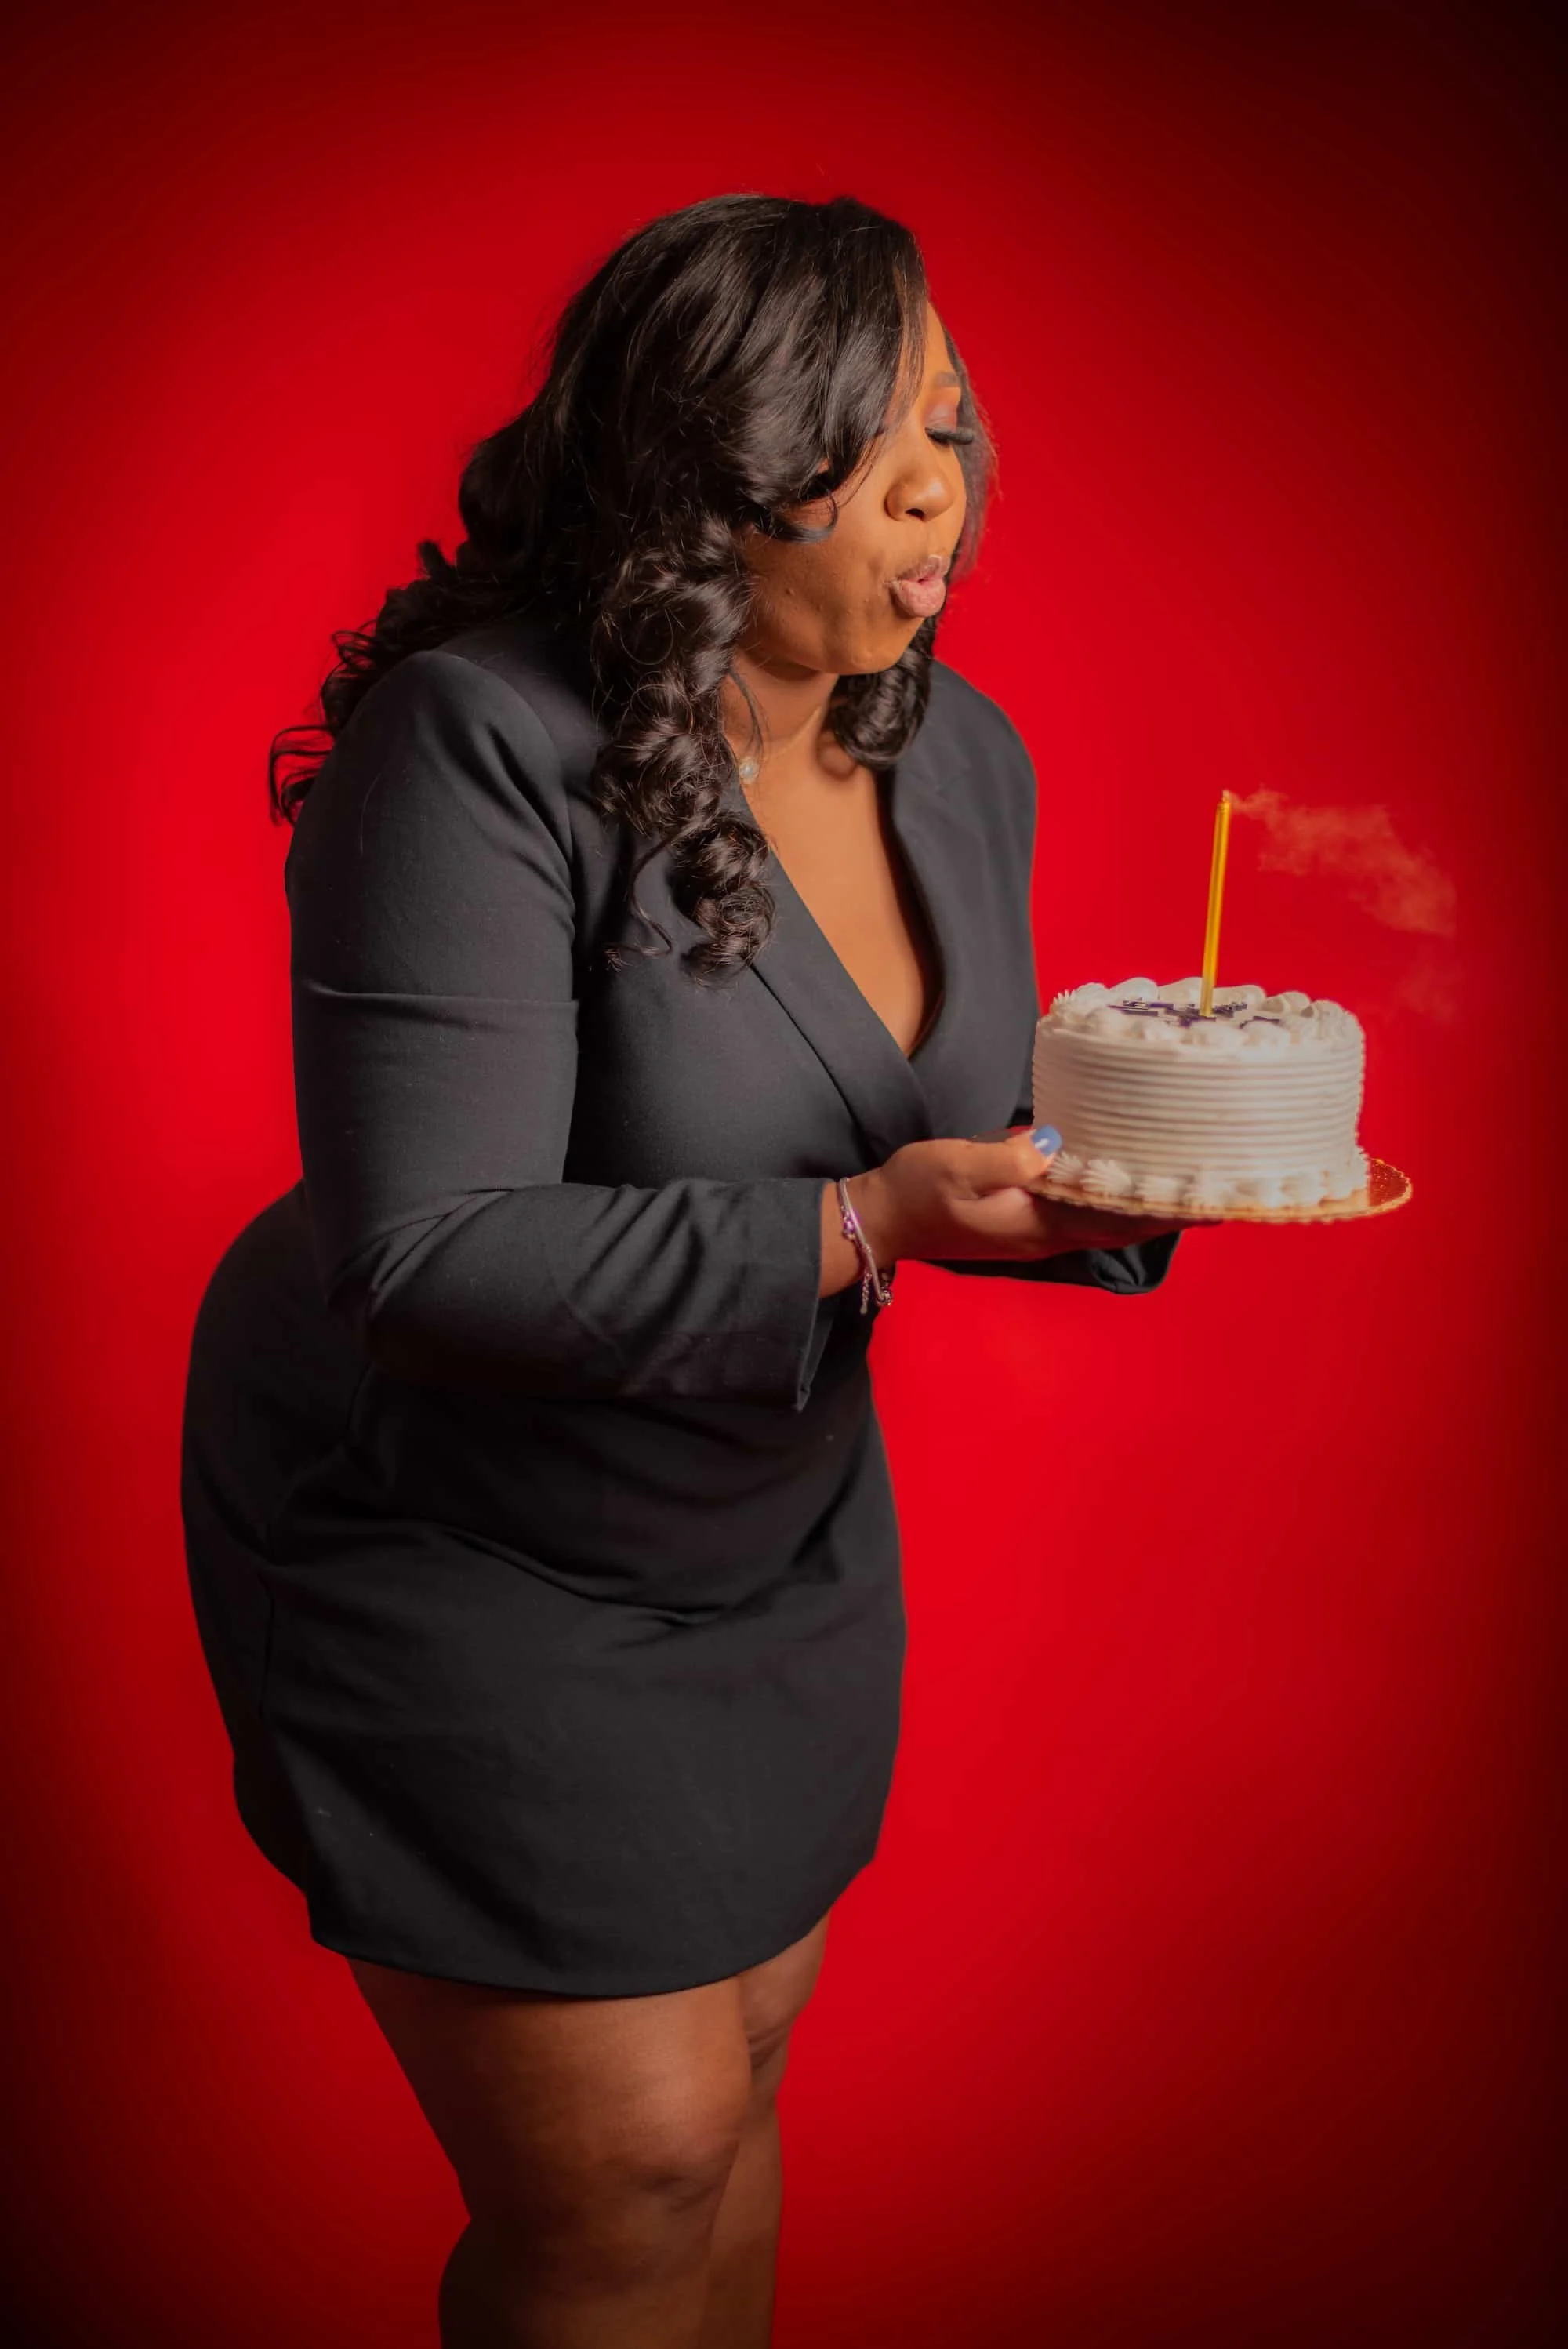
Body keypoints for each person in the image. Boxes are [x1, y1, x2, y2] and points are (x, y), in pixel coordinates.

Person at [180, 191, 1185, 2349]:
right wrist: (865, 1225)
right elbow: (422, 1253)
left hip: (773, 1532)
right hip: (467, 1528)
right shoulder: (477, 742)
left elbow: (938, 1123)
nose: (936, 485)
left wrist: (1153, 1159)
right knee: (626, 2175)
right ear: (706, 473)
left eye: (950, 420)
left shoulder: (957, 751)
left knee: (726, 2106)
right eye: (863, 436)